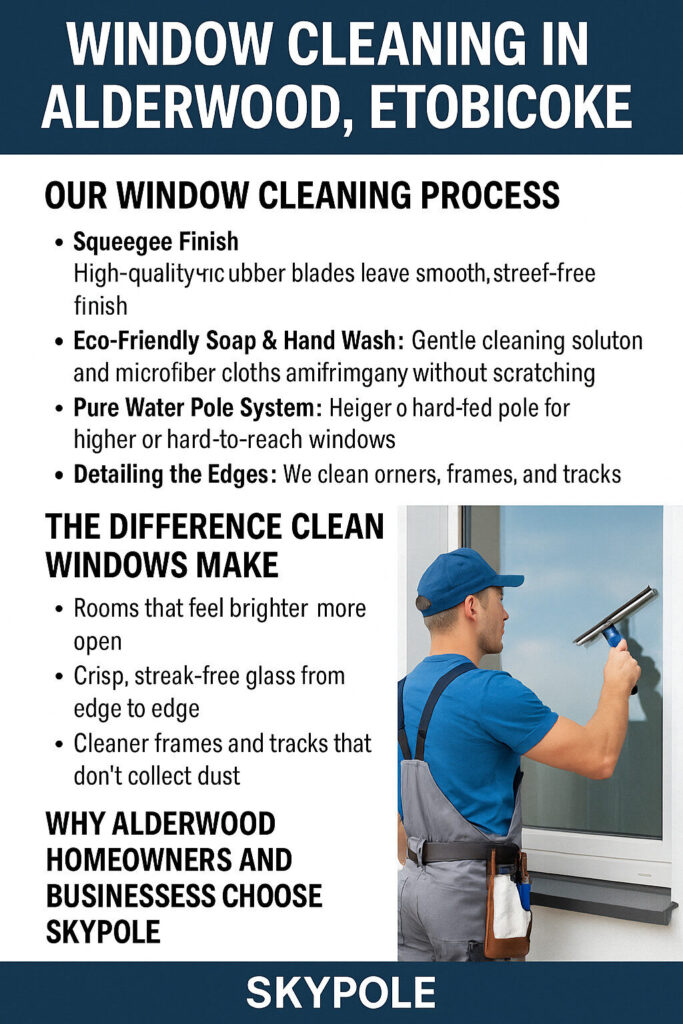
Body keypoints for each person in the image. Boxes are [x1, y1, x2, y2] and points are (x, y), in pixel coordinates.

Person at [397, 547, 641, 962]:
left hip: (413, 892)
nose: (506, 616)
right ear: (473, 606)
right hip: (468, 902)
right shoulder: (489, 691)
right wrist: (617, 684)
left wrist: (434, 868)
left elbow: (400, 822)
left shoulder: (400, 693)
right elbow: (599, 758)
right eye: (501, 601)